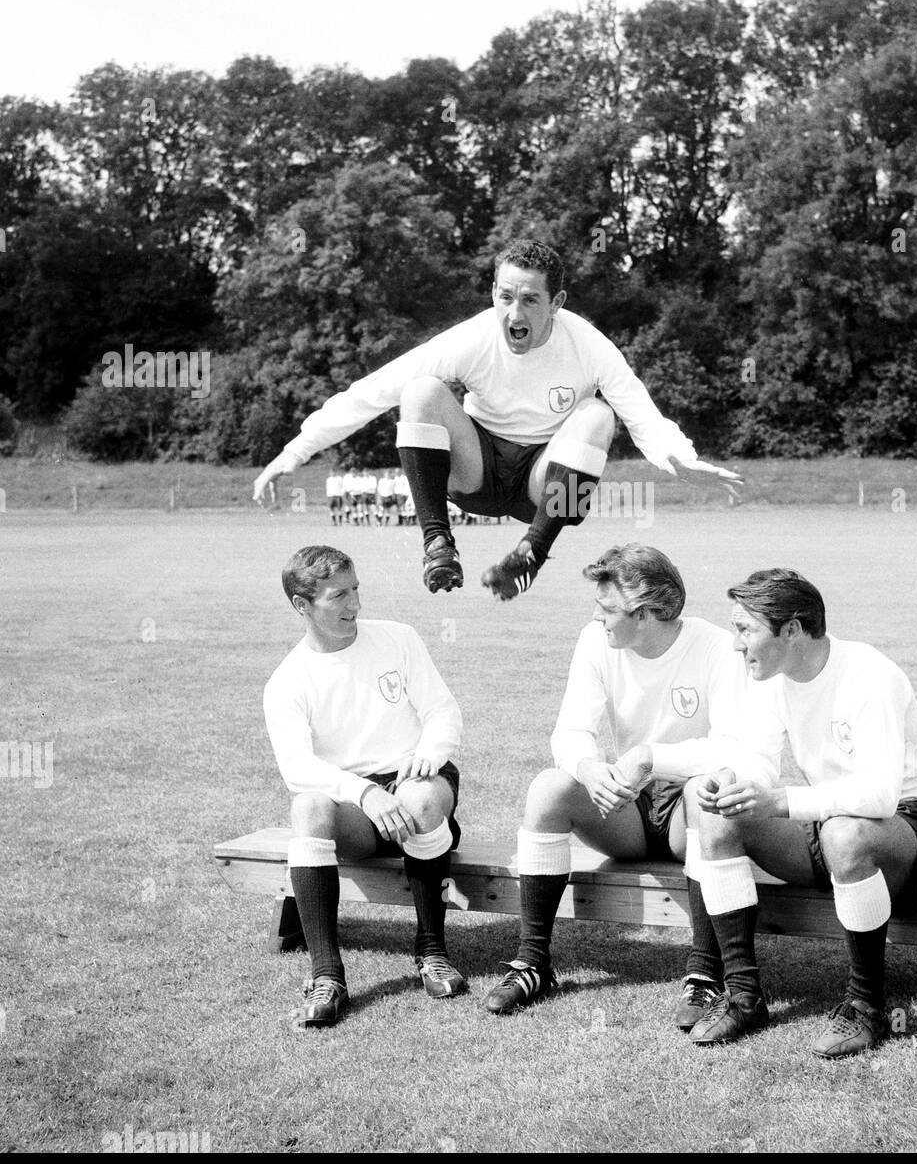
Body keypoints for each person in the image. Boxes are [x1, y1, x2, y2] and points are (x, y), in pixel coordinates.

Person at [252, 239, 741, 601]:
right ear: (492, 293)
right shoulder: (471, 339)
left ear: (557, 303)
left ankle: (529, 555)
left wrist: (682, 457)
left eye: (530, 299)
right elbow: (371, 392)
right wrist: (293, 452)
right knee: (421, 391)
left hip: (542, 489)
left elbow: (641, 413)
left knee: (597, 414)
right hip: (475, 474)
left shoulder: (589, 346)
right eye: (505, 296)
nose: (514, 311)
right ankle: (438, 544)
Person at [680, 569, 917, 1057]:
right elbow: (759, 764)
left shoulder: (871, 674)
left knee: (847, 835)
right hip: (824, 823)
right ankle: (743, 996)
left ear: (792, 629)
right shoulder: (771, 679)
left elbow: (880, 796)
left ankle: (867, 1007)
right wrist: (728, 781)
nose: (736, 644)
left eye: (746, 630)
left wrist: (782, 801)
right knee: (720, 815)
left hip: (905, 829)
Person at [484, 543, 746, 1029]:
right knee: (549, 787)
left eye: (608, 609)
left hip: (691, 808)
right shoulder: (594, 640)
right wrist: (587, 768)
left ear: (645, 614)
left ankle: (706, 975)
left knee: (706, 788)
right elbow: (570, 731)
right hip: (627, 803)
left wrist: (653, 759)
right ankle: (533, 963)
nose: (597, 617)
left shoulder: (715, 648)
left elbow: (735, 747)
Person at [263, 545, 466, 1028]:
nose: (354, 605)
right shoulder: (287, 681)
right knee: (308, 808)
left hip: (417, 779)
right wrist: (365, 793)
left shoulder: (398, 638)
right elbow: (296, 768)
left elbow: (443, 711)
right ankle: (327, 975)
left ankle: (431, 951)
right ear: (302, 605)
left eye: (356, 590)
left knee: (417, 799)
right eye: (338, 596)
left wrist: (429, 756)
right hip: (354, 805)